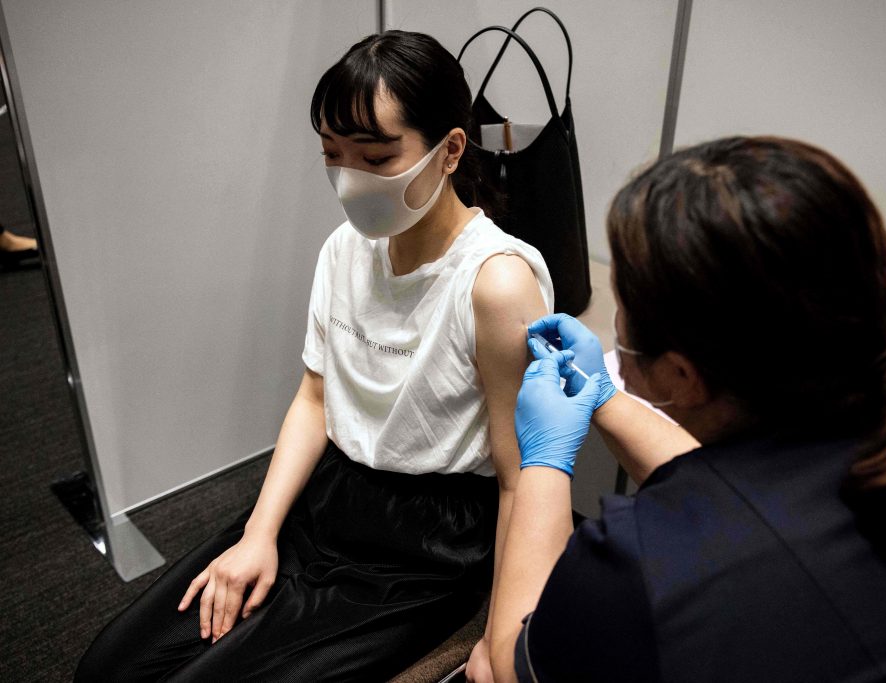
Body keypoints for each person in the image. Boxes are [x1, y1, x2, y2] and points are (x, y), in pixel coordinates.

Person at [77, 30, 553, 681]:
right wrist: (259, 535)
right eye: (333, 155)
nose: (350, 181)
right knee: (107, 668)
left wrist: (505, 636)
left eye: (377, 158)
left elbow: (520, 475)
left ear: (449, 151)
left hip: (428, 545)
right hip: (331, 497)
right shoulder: (344, 250)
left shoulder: (496, 284)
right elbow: (315, 396)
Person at [488, 137, 886, 681]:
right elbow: (747, 502)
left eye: (622, 302)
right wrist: (603, 395)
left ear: (681, 374)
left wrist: (545, 465)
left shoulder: (643, 568)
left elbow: (505, 669)